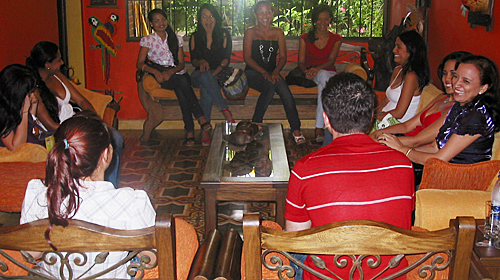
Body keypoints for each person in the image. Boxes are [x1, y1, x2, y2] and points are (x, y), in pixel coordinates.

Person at [285, 72, 414, 280]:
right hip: (388, 275)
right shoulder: (403, 164)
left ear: (326, 119)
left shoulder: (305, 168)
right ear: (371, 117)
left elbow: (295, 239)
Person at [20, 112, 156, 279]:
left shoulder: (37, 193)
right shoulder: (132, 202)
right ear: (106, 154)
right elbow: (150, 259)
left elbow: (30, 254)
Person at [26, 41, 123, 188]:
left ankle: (109, 187)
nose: (62, 62)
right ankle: (103, 187)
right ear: (47, 64)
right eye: (58, 60)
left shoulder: (57, 75)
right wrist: (81, 132)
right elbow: (50, 125)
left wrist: (97, 122)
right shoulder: (35, 88)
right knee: (109, 150)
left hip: (79, 121)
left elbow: (82, 101)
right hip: (64, 131)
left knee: (115, 139)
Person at [378, 55, 500, 165]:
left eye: (466, 81)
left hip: (458, 178)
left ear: (483, 88)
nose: (456, 83)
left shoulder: (476, 118)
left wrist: (402, 150)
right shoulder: (461, 106)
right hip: (440, 168)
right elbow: (434, 147)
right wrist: (393, 149)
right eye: (456, 76)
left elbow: (439, 159)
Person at [137, 8, 212, 146]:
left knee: (182, 88)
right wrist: (155, 72)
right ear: (152, 24)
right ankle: (200, 119)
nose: (161, 23)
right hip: (161, 76)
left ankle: (189, 131)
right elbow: (140, 63)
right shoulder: (148, 40)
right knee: (183, 84)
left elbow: (181, 63)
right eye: (157, 20)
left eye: (163, 19)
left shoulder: (176, 38)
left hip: (176, 74)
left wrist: (170, 72)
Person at [370, 51, 471, 141]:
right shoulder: (441, 97)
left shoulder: (458, 109)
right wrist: (378, 133)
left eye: (454, 75)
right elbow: (407, 126)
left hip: (411, 147)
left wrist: (382, 140)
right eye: (444, 73)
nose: (447, 79)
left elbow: (418, 141)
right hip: (404, 138)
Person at [243, 1, 304, 145]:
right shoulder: (250, 32)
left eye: (268, 12)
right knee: (269, 87)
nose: (265, 16)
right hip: (253, 72)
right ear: (256, 15)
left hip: (273, 72)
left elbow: (283, 57)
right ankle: (256, 123)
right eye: (261, 12)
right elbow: (247, 58)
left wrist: (276, 72)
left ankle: (296, 129)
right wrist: (264, 72)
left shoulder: (278, 32)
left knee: (284, 90)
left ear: (272, 13)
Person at [297, 4, 342, 143]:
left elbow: (330, 61)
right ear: (314, 20)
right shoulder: (305, 38)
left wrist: (317, 69)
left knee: (324, 77)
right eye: (319, 19)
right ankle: (320, 127)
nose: (323, 23)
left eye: (326, 19)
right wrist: (306, 72)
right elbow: (301, 61)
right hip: (312, 74)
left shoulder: (336, 39)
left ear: (330, 20)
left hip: (329, 74)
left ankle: (319, 126)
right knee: (322, 77)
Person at [190, 3, 235, 123]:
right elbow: (193, 60)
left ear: (216, 18)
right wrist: (201, 62)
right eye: (204, 16)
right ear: (200, 19)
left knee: (206, 87)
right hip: (199, 74)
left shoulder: (224, 35)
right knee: (205, 77)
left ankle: (206, 127)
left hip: (219, 73)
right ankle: (225, 111)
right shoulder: (195, 36)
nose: (208, 20)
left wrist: (214, 73)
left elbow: (226, 59)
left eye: (211, 16)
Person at [376, 30, 430, 125]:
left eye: (399, 47)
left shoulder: (411, 77)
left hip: (395, 124)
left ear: (411, 50)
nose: (394, 50)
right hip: (384, 119)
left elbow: (399, 113)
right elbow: (386, 101)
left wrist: (373, 118)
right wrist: (371, 114)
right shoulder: (398, 70)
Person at [0, 64, 51, 150]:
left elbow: (31, 129)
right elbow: (15, 147)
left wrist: (32, 108)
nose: (32, 94)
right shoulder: (3, 112)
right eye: (29, 92)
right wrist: (24, 112)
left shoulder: (16, 106)